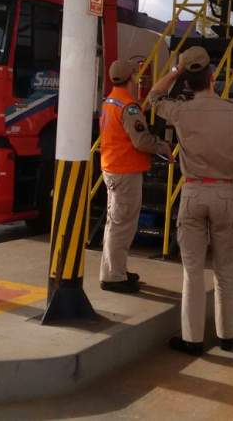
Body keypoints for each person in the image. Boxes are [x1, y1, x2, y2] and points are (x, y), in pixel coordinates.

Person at [149, 46, 233, 355]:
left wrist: (176, 69)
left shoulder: (180, 111)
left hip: (193, 192)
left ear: (187, 80)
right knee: (226, 270)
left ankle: (192, 339)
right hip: (225, 193)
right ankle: (228, 336)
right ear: (213, 78)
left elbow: (153, 97)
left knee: (193, 271)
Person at [99, 58, 172, 293]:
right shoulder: (129, 106)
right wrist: (163, 146)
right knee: (122, 225)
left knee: (115, 223)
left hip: (112, 167)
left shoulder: (111, 101)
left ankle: (114, 270)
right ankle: (114, 277)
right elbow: (141, 140)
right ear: (132, 77)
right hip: (125, 172)